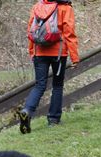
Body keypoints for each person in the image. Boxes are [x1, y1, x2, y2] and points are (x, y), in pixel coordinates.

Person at [19, 0, 79, 134]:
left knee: (40, 85)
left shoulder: (37, 6)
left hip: (39, 51)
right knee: (57, 85)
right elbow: (69, 33)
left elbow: (31, 30)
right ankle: (53, 119)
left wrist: (31, 52)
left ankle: (27, 110)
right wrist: (74, 57)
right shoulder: (65, 8)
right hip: (58, 53)